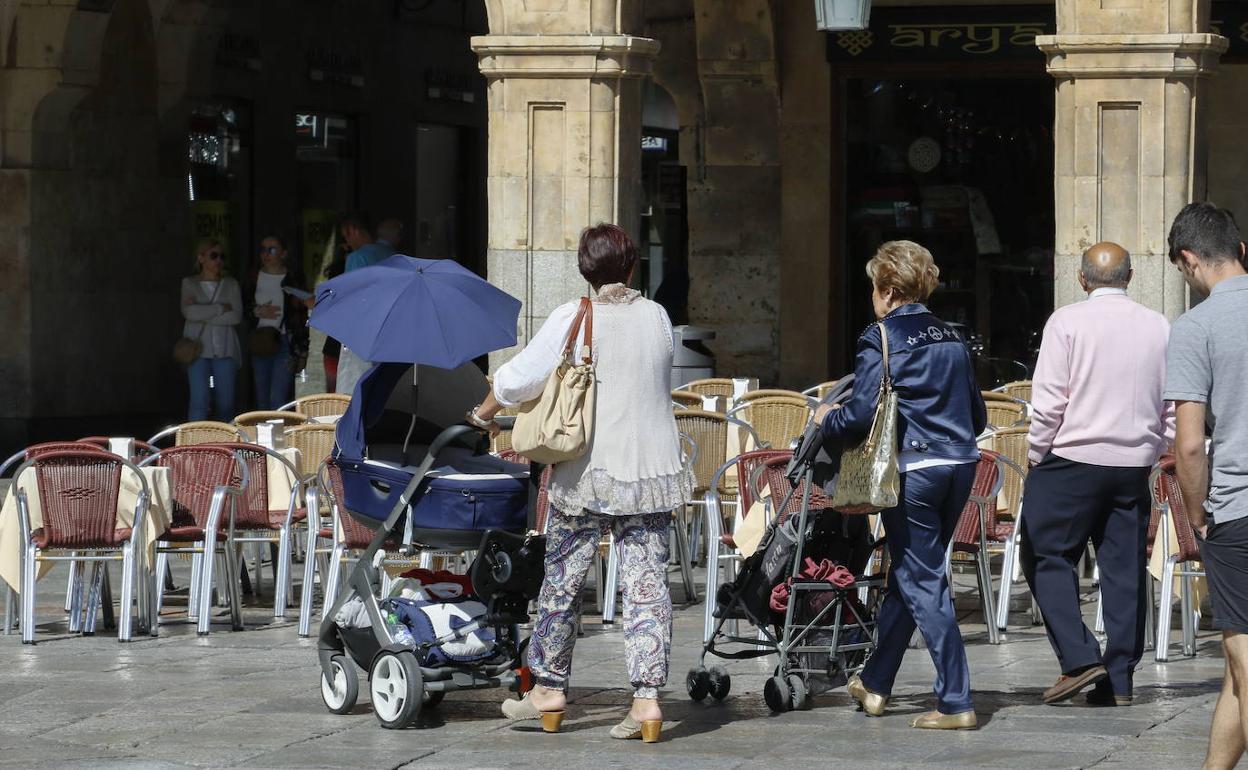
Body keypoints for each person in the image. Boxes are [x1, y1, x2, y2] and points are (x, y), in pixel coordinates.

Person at [472, 223, 692, 743]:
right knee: (647, 587)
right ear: (633, 266)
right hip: (652, 471)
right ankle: (646, 700)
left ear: (583, 269)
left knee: (563, 581)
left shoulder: (575, 315)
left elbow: (517, 379)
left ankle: (548, 689)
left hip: (589, 471)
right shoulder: (658, 316)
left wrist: (483, 413)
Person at [814, 240, 986, 730]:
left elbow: (862, 414)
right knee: (912, 572)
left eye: (873, 288)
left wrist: (826, 419)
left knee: (921, 577)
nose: (872, 297)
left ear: (888, 290)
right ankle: (875, 681)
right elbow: (977, 415)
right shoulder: (952, 337)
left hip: (914, 471)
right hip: (961, 465)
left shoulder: (881, 337)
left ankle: (956, 700)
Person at [1020, 242, 1173, 707]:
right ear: (1129, 278)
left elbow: (1049, 400)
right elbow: (1171, 403)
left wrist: (1034, 451)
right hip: (1131, 465)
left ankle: (1080, 657)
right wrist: (1154, 449)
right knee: (1124, 569)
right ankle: (1120, 678)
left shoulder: (1066, 321)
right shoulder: (1159, 325)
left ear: (1082, 280)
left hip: (1071, 458)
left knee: (1045, 554)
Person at [1163, 202, 1248, 770]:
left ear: (1189, 261)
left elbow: (1189, 445)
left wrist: (1197, 515)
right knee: (1234, 666)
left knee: (1245, 658)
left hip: (1240, 508)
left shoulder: (1195, 327)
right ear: (1241, 250)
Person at [243, 235, 312, 410]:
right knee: (262, 398)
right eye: (263, 250)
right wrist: (257, 311)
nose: (266, 254)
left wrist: (302, 349)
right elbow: (242, 307)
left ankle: (278, 436)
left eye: (272, 249)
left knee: (278, 398)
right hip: (261, 340)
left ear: (283, 253)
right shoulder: (252, 277)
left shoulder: (293, 277)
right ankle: (263, 437)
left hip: (285, 342)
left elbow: (302, 313)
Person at [181, 238, 243, 421]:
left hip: (225, 350)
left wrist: (202, 310)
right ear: (201, 258)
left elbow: (236, 316)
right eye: (213, 255)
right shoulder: (189, 283)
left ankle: (223, 446)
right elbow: (188, 312)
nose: (218, 261)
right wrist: (220, 308)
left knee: (226, 404)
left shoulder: (231, 284)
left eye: (222, 256)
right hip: (197, 351)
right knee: (199, 401)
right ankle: (193, 446)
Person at [335, 212, 395, 395]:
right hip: (388, 331)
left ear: (353, 231)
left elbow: (351, 299)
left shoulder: (356, 258)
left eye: (346, 236)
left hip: (360, 333)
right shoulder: (391, 254)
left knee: (352, 391)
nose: (347, 242)